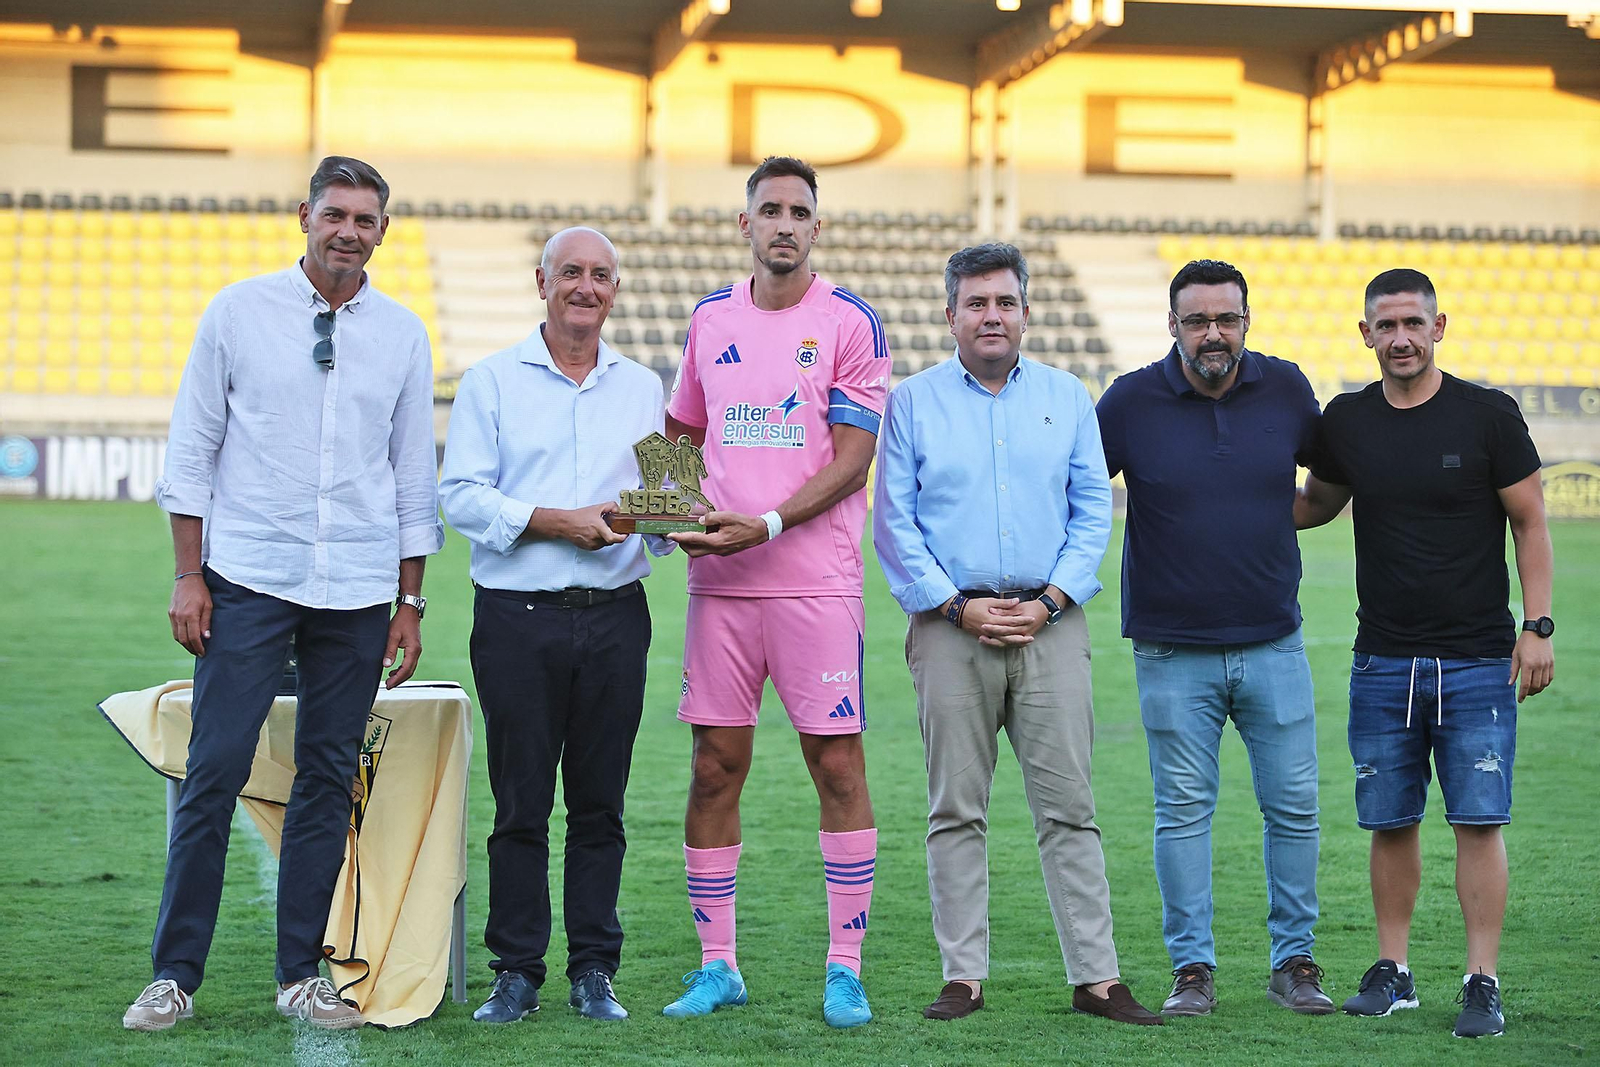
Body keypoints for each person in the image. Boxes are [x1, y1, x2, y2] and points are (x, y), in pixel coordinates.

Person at [127, 156, 442, 1031]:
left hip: (356, 591)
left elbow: (413, 472)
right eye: (335, 213)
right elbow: (191, 450)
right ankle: (174, 974)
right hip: (250, 579)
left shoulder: (404, 334)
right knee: (215, 768)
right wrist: (188, 575)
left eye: (366, 219)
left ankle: (299, 971)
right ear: (305, 215)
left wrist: (410, 601)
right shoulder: (238, 311)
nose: (349, 230)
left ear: (383, 230)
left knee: (326, 780)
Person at [874, 242, 1162, 1027]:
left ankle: (1096, 977)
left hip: (1051, 626)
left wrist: (1053, 599)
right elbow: (895, 526)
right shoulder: (913, 403)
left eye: (1004, 302)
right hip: (949, 628)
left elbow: (1092, 511)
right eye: (976, 303)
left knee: (1070, 806)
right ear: (950, 314)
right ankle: (962, 974)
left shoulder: (1069, 398)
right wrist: (956, 606)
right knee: (955, 809)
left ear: (1027, 311)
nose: (991, 315)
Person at [659, 156, 888, 1029]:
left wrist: (768, 525)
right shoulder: (709, 316)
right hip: (720, 587)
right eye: (770, 210)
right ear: (745, 225)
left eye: (799, 211)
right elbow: (682, 428)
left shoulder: (850, 323)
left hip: (812, 584)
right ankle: (718, 964)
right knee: (715, 766)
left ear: (816, 228)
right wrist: (675, 508)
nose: (784, 223)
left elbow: (852, 458)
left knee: (836, 765)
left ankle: (846, 964)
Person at [1297, 268, 1555, 1039]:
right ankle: (1394, 970)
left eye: (1414, 323)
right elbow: (1315, 504)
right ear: (1365, 334)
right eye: (1387, 325)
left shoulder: (1487, 416)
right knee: (1391, 819)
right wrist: (1223, 504)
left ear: (1439, 327)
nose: (1401, 338)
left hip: (1478, 658)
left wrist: (1537, 627)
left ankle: (1482, 978)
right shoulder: (1346, 420)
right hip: (1382, 659)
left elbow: (1532, 522)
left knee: (1479, 820)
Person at [440, 226, 669, 1024]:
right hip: (517, 619)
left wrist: (677, 514)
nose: (585, 286)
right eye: (570, 271)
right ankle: (517, 971)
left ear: (615, 289)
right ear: (542, 281)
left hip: (614, 619)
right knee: (521, 804)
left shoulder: (645, 387)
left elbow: (665, 510)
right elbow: (460, 496)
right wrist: (555, 521)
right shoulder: (492, 381)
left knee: (602, 806)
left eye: (600, 274)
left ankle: (595, 970)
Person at [1094, 259, 1333, 1018]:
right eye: (1196, 320)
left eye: (1226, 318)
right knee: (1182, 811)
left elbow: (1324, 490)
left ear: (1246, 320)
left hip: (1273, 641)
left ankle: (1293, 961)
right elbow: (1077, 493)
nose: (1213, 333)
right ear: (1172, 326)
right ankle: (1192, 967)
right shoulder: (1129, 402)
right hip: (1171, 649)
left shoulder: (1289, 389)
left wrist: (1257, 522)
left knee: (1294, 805)